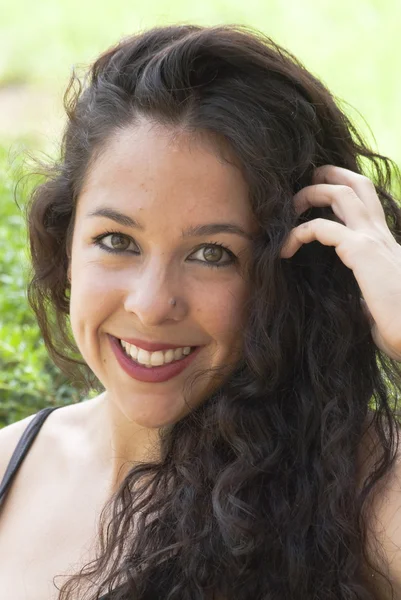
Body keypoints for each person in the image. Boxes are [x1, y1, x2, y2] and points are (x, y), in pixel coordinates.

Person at [0, 23, 401, 600]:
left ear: (288, 269)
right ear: (66, 243)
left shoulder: (362, 492)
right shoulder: (11, 467)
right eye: (117, 240)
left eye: (212, 254)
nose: (151, 304)